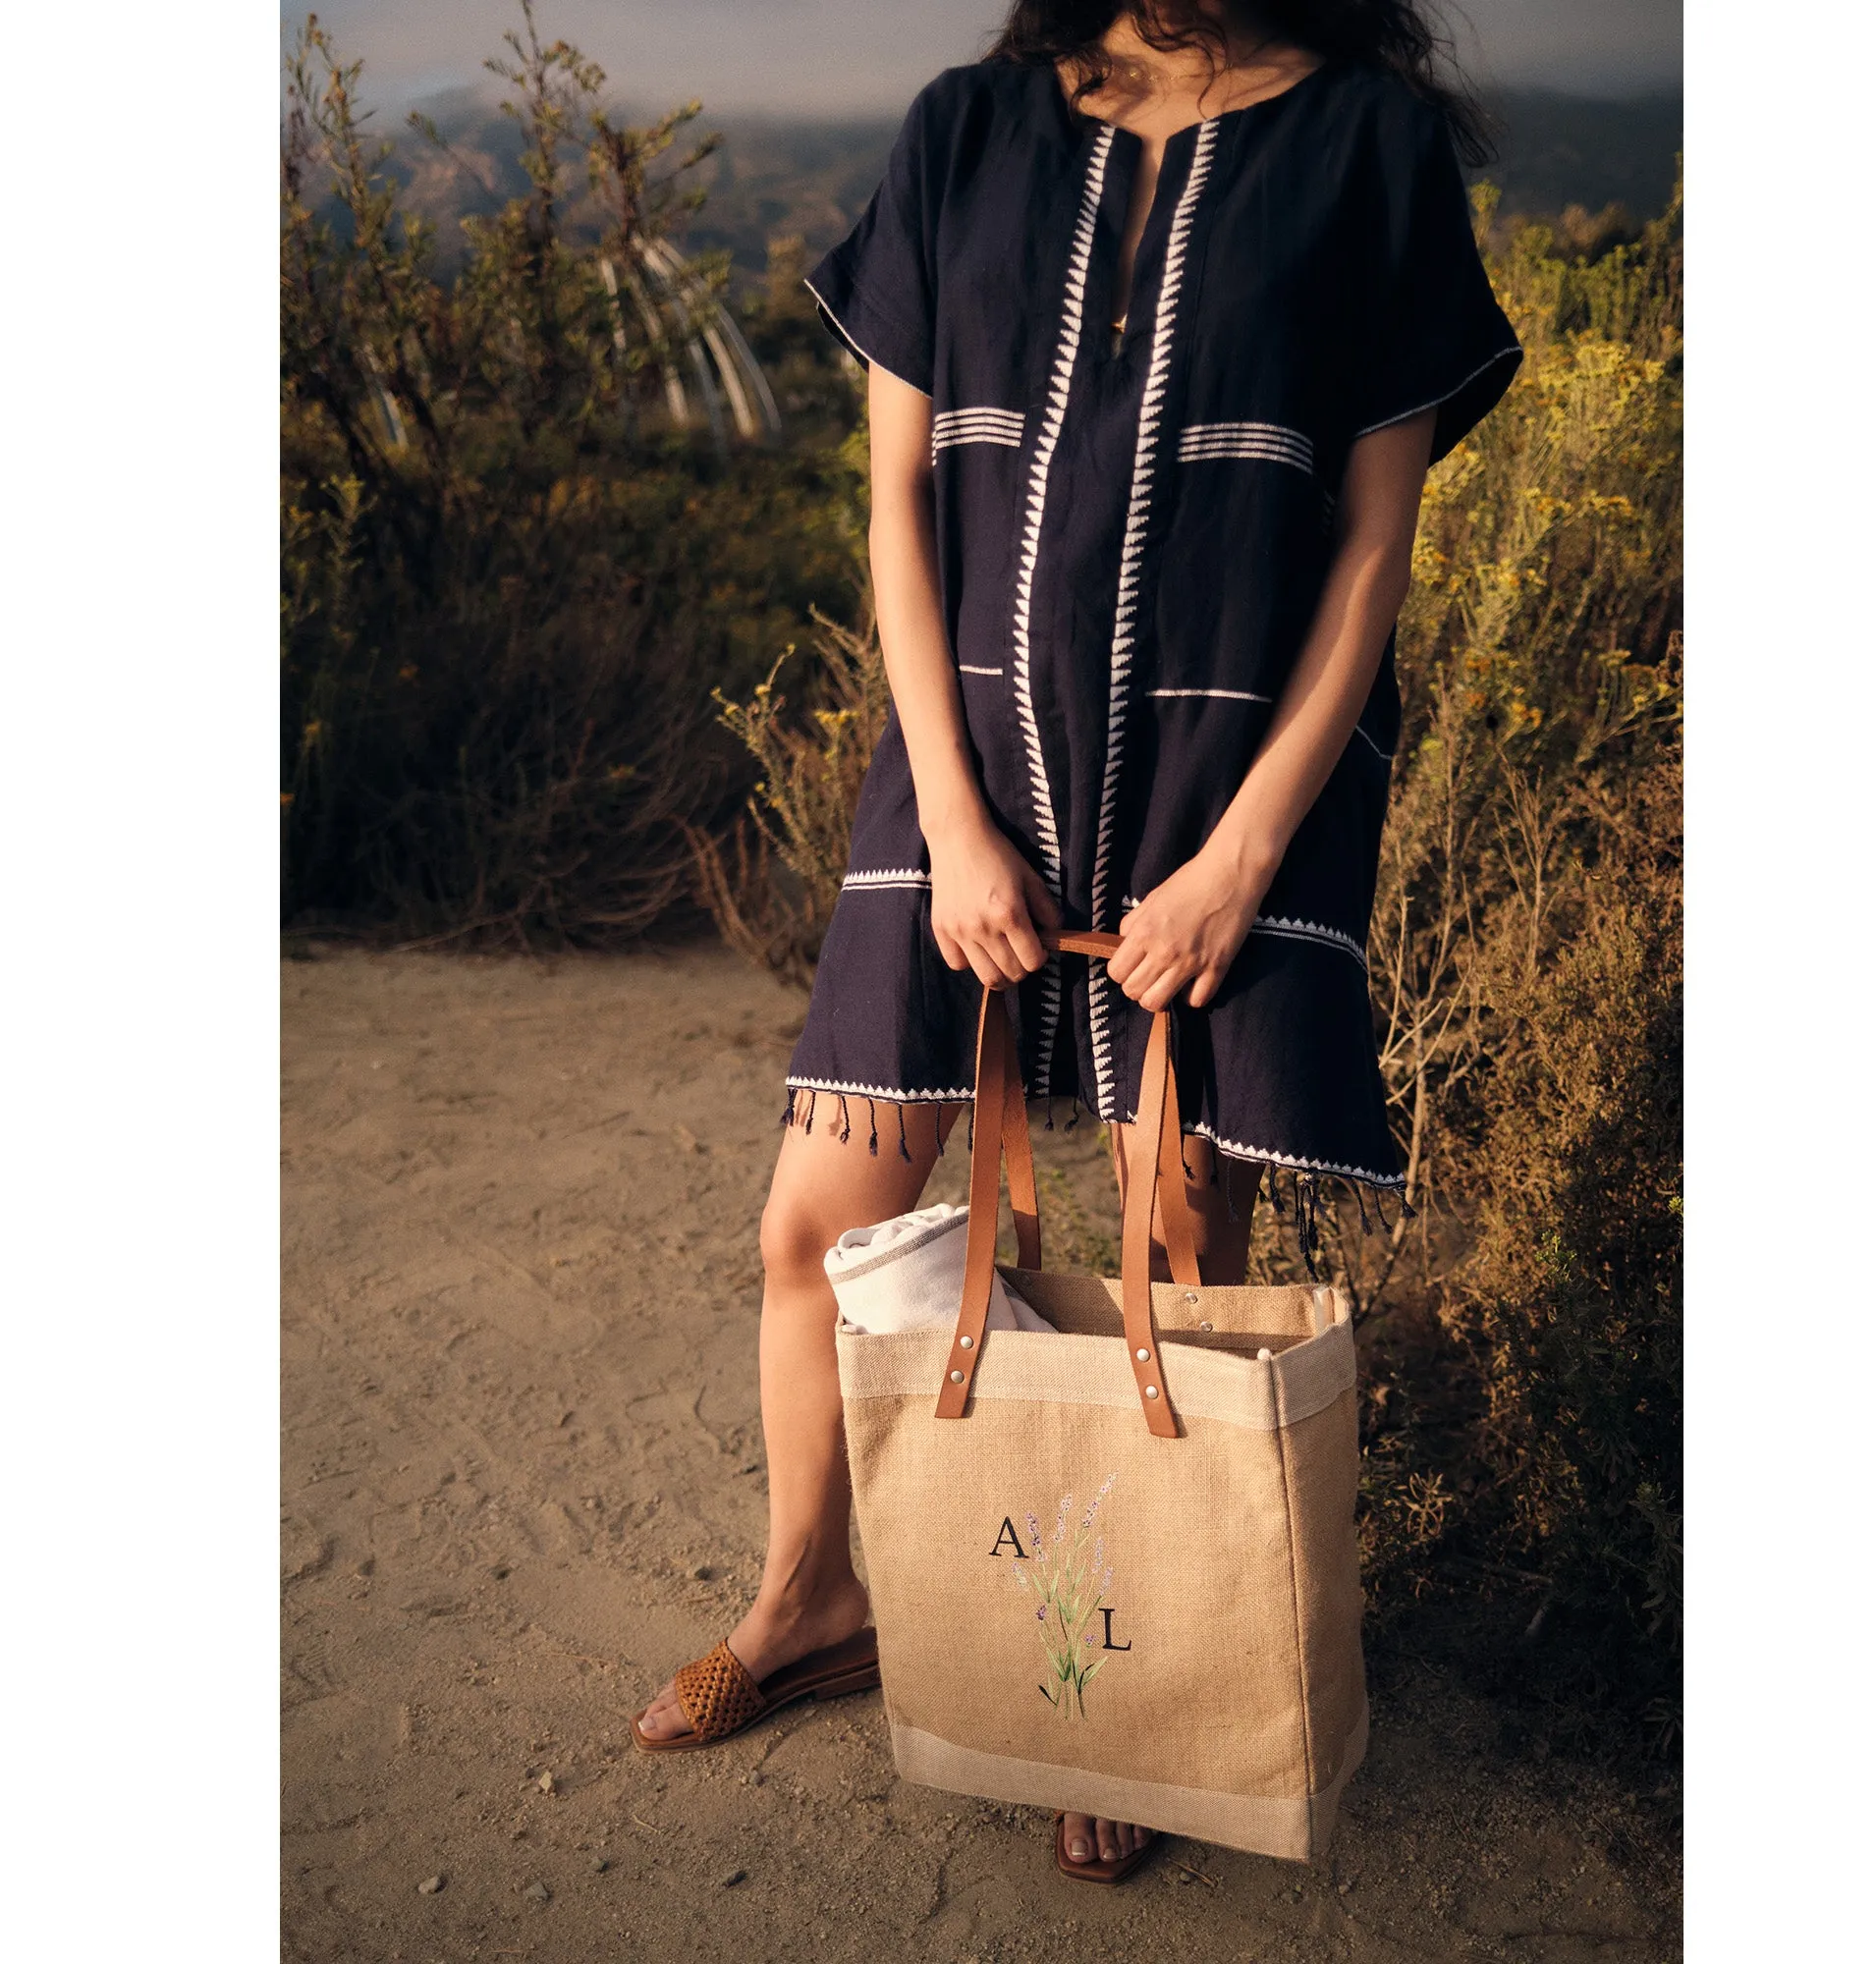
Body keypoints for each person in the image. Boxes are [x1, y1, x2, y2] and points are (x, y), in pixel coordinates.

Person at [633, 0, 1519, 1885]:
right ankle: (812, 1600)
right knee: (813, 1225)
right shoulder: (966, 130)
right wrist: (948, 817)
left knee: (1160, 1272)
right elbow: (895, 498)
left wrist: (1246, 855)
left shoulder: (1365, 148)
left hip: (1224, 802)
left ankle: (1110, 1691)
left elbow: (1374, 550)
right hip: (967, 790)